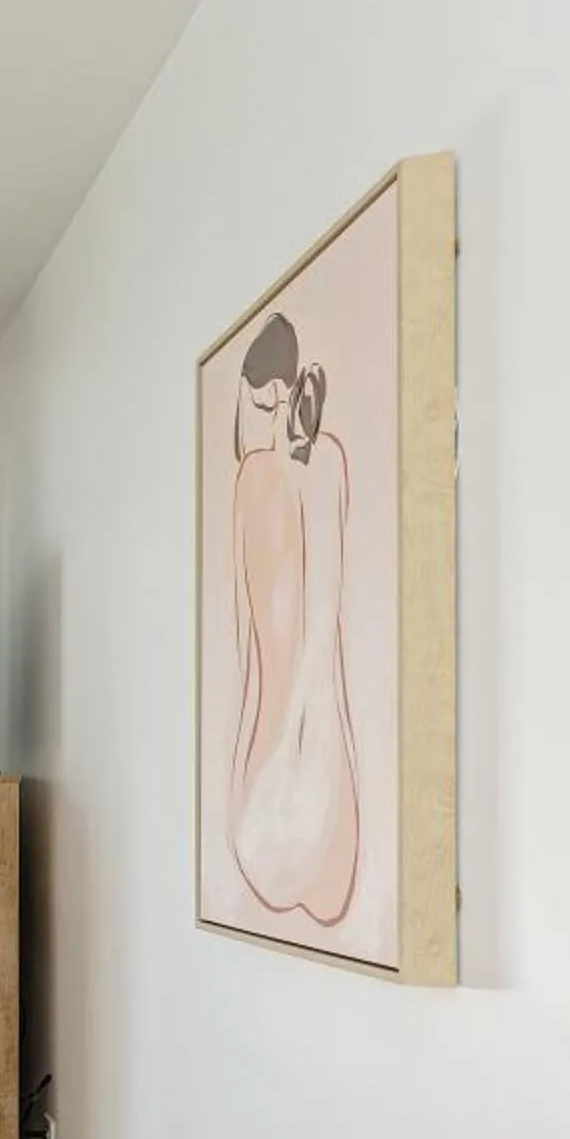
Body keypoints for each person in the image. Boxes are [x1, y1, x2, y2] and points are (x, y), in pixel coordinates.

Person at [226, 312, 360, 924]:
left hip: (281, 728)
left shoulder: (256, 477)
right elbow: (327, 610)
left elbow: (242, 633)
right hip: (318, 722)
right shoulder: (324, 464)